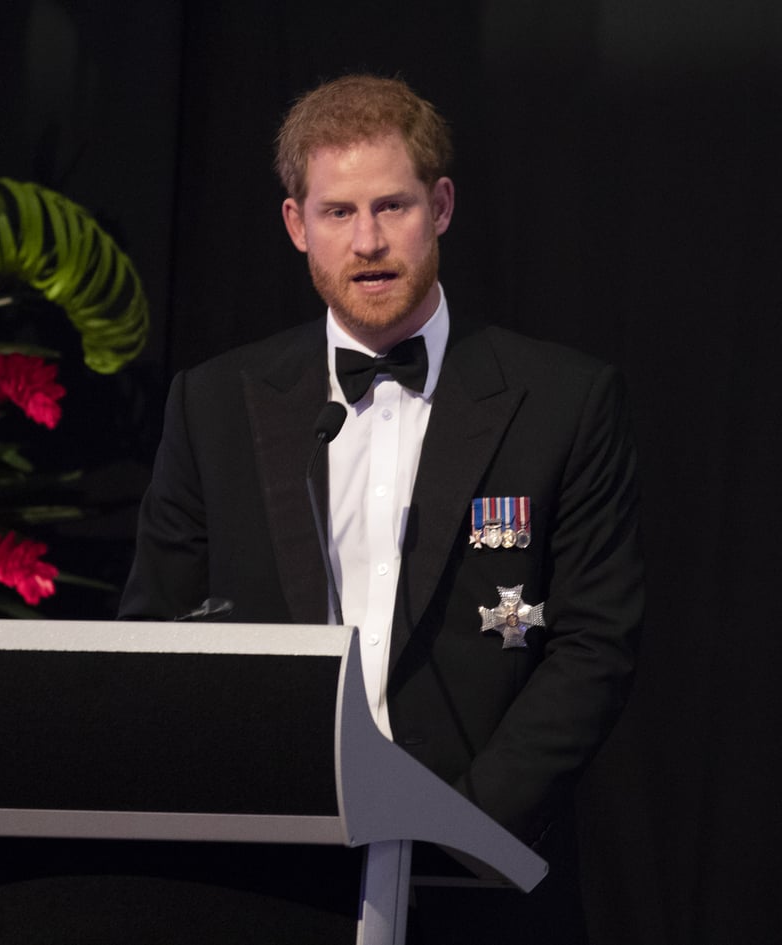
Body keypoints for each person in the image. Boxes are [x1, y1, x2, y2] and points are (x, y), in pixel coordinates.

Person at [119, 74, 643, 943]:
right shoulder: (211, 403)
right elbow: (156, 637)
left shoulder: (565, 400)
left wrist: (457, 830)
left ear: (440, 206)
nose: (367, 241)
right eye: (338, 213)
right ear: (296, 225)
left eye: (391, 206)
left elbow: (596, 644)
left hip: (483, 878)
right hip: (266, 877)